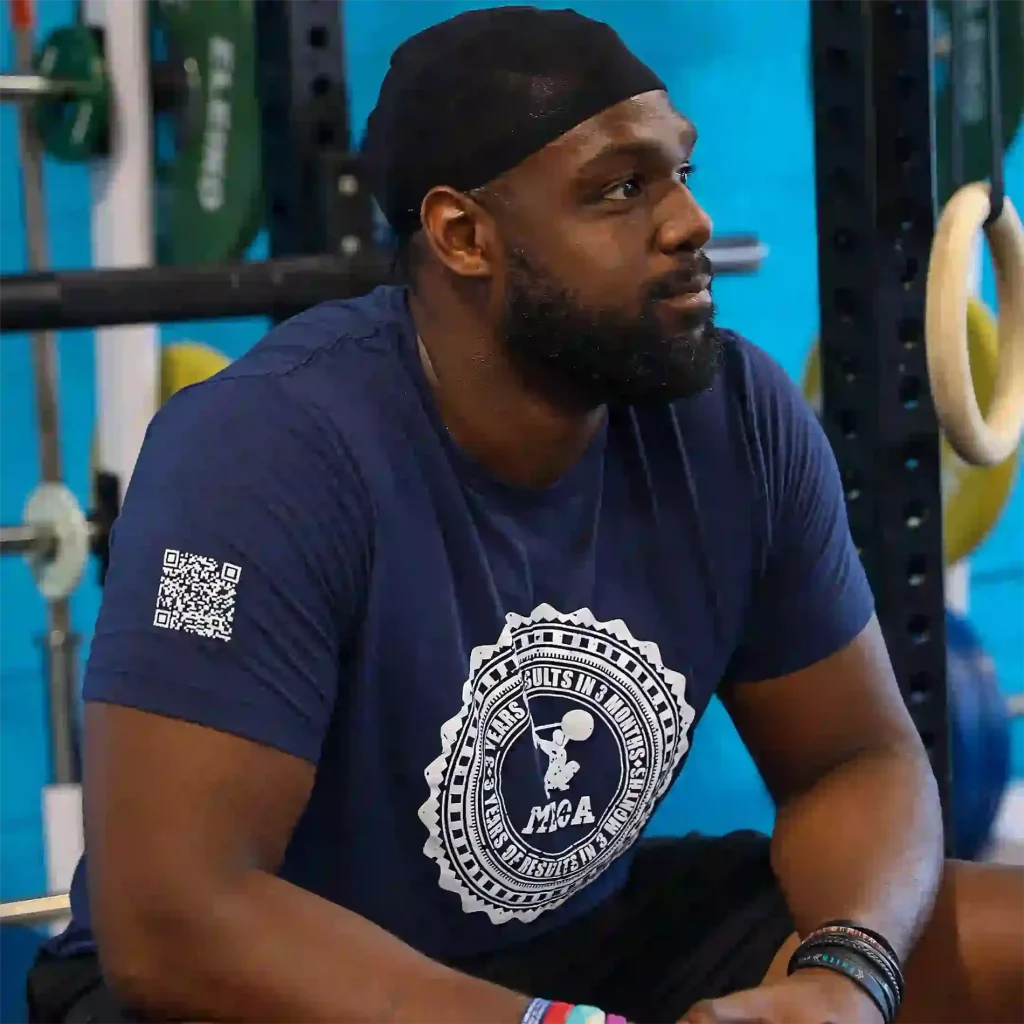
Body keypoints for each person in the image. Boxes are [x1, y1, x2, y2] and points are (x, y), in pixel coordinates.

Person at [26, 7, 1024, 1024]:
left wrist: (844, 979)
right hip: (273, 989)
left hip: (574, 944)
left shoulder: (734, 416)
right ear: (465, 235)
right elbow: (176, 921)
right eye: (622, 189)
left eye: (679, 173)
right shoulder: (257, 455)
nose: (686, 222)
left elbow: (850, 760)